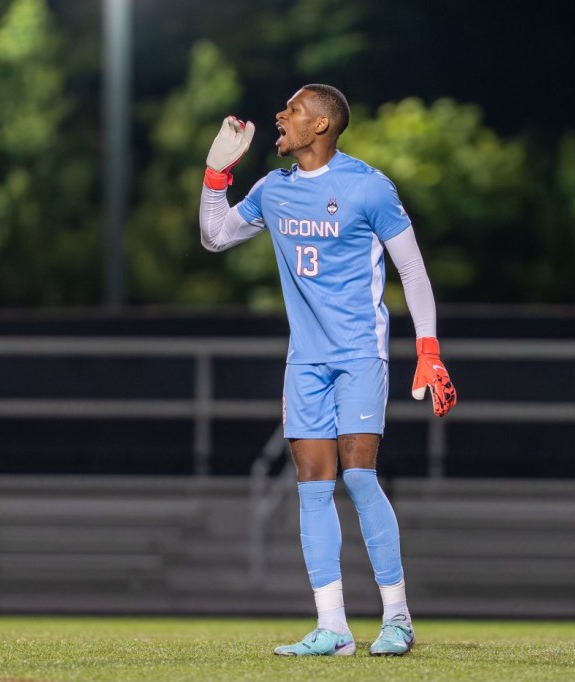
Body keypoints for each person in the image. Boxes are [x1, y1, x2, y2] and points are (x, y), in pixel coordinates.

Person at [198, 84, 457, 657]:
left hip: (360, 352)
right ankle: (333, 628)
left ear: (321, 125)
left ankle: (398, 618)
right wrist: (215, 178)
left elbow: (413, 271)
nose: (280, 116)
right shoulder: (273, 189)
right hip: (306, 360)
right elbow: (215, 238)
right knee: (313, 487)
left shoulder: (368, 186)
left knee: (359, 477)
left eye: (292, 110)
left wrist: (429, 350)